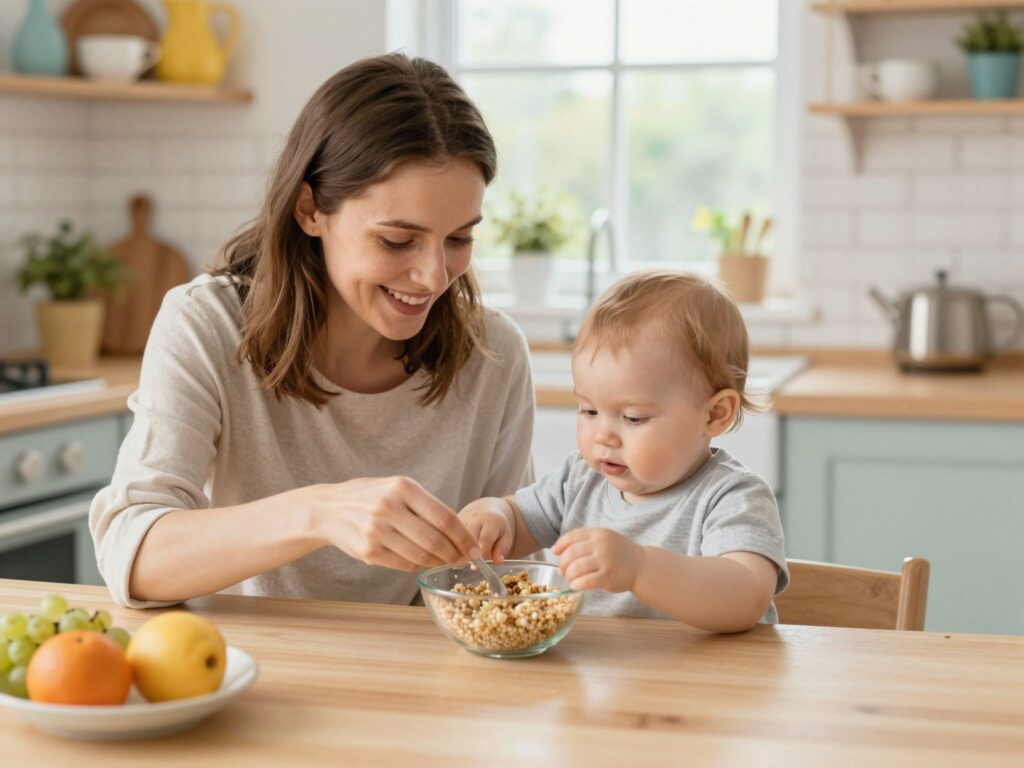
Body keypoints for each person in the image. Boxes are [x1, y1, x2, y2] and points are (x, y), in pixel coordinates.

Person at [90, 54, 535, 609]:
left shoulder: (492, 355)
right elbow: (131, 555)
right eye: (397, 241)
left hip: (425, 679)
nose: (433, 276)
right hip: (246, 673)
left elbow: (512, 573)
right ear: (309, 210)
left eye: (459, 239)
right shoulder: (206, 324)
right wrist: (320, 512)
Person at [459, 270, 788, 632]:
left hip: (713, 682)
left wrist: (640, 568)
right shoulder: (580, 481)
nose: (603, 436)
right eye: (589, 411)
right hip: (605, 676)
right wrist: (495, 516)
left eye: (632, 418)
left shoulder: (731, 497)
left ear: (714, 414)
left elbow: (744, 596)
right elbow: (518, 519)